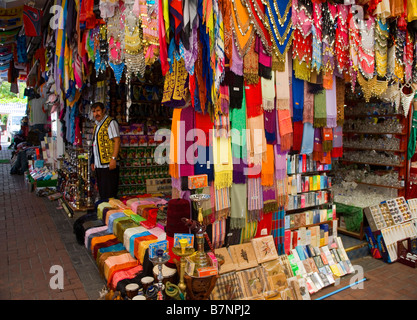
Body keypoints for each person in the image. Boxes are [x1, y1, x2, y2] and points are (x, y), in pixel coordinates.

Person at [90, 102, 121, 200]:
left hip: (109, 164)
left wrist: (113, 159)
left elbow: (117, 140)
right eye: (94, 111)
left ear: (103, 111)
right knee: (103, 193)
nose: (96, 114)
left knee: (110, 194)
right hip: (99, 165)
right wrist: (92, 161)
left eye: (98, 110)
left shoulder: (110, 122)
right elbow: (95, 144)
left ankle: (111, 214)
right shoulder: (97, 125)